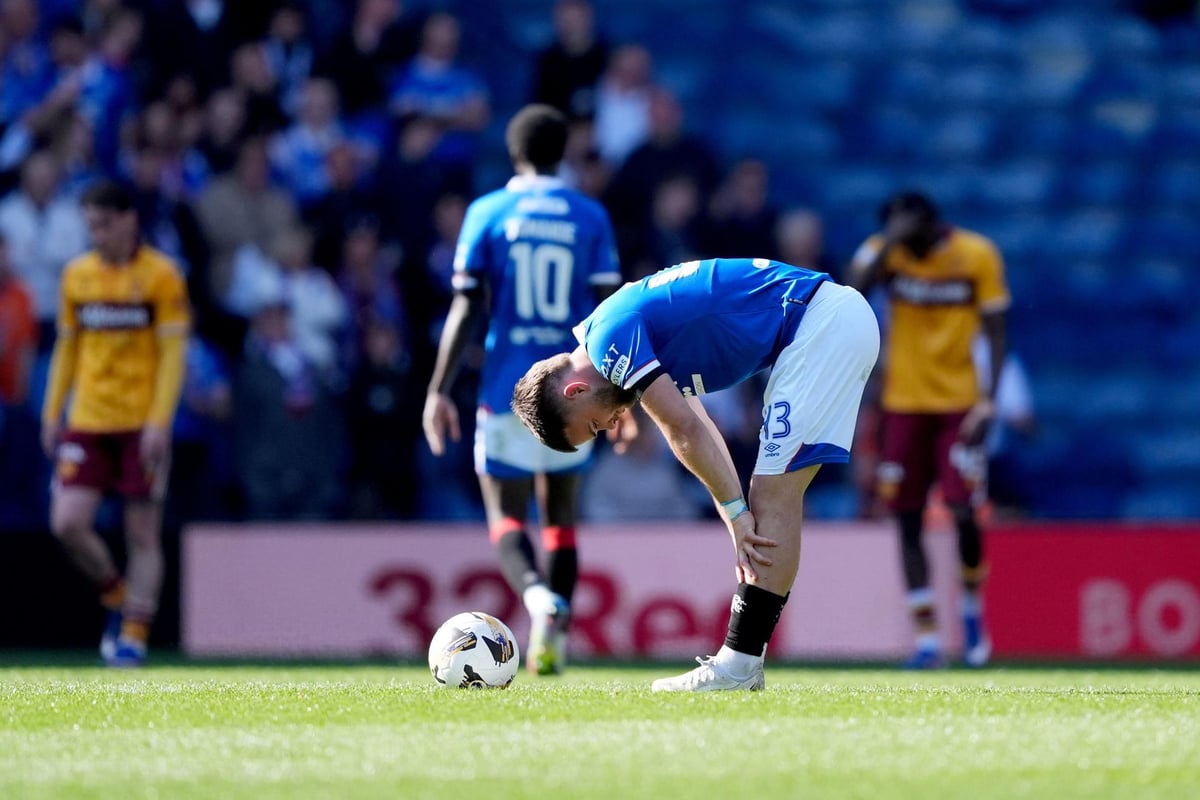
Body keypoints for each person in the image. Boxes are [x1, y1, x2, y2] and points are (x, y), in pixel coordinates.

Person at [511, 257, 880, 691]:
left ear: (575, 390)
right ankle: (742, 665)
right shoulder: (612, 331)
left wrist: (736, 515)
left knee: (772, 495)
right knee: (771, 493)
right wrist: (734, 513)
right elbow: (701, 428)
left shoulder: (611, 339)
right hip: (826, 323)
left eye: (594, 424)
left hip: (821, 325)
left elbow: (681, 429)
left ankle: (739, 667)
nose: (609, 426)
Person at [422, 103, 621, 676]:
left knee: (505, 516)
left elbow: (466, 307)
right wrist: (618, 396)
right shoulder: (589, 215)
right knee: (560, 515)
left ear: (514, 153)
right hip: (575, 392)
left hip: (506, 388)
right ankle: (552, 639)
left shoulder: (488, 211)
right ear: (564, 153)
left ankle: (536, 597)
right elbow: (611, 313)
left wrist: (438, 390)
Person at [847, 190, 1009, 669]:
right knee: (906, 516)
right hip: (903, 405)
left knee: (963, 509)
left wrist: (989, 401)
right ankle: (928, 639)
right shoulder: (889, 252)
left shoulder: (976, 254)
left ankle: (972, 607)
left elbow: (998, 330)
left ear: (930, 223)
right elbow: (851, 293)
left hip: (959, 404)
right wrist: (885, 243)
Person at [40, 180, 191, 667]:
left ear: (129, 220)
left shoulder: (161, 276)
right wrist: (52, 412)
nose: (98, 235)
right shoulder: (76, 276)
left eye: (105, 225)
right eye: (91, 226)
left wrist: (159, 422)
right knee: (67, 522)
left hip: (139, 424)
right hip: (88, 419)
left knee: (142, 532)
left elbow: (172, 356)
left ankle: (133, 636)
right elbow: (67, 347)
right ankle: (115, 592)